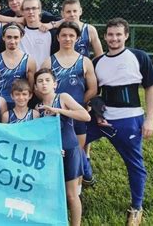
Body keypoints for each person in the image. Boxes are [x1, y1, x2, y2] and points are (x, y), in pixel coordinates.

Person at [86, 18, 153, 226]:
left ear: (126, 35)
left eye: (119, 34)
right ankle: (87, 174)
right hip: (101, 119)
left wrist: (150, 119)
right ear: (105, 36)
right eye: (110, 34)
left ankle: (137, 207)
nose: (114, 38)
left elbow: (150, 88)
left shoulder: (138, 57)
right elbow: (94, 93)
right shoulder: (97, 61)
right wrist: (97, 112)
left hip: (129, 120)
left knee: (134, 164)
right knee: (74, 141)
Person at [41, 21, 97, 187]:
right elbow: (41, 89)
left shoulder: (85, 61)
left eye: (71, 35)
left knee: (77, 154)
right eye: (64, 35)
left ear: (77, 38)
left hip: (76, 117)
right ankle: (56, 190)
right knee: (54, 155)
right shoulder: (48, 62)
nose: (67, 38)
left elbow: (93, 88)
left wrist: (77, 105)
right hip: (54, 119)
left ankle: (77, 191)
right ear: (57, 37)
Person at [34, 68, 91, 226]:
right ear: (36, 87)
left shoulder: (63, 98)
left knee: (71, 194)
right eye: (40, 81)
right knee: (50, 193)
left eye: (47, 80)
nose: (44, 84)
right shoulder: (38, 108)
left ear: (55, 84)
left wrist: (58, 111)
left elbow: (85, 116)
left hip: (70, 150)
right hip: (52, 153)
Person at [0, 23, 36, 109]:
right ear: (3, 37)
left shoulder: (29, 61)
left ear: (21, 37)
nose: (12, 41)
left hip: (20, 105)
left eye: (16, 37)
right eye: (9, 37)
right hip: (0, 105)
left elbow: (31, 88)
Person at [20, 0, 54, 70]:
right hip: (25, 77)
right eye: (27, 9)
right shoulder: (19, 34)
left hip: (44, 77)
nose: (31, 12)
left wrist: (52, 24)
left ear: (39, 10)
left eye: (34, 8)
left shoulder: (51, 32)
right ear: (22, 12)